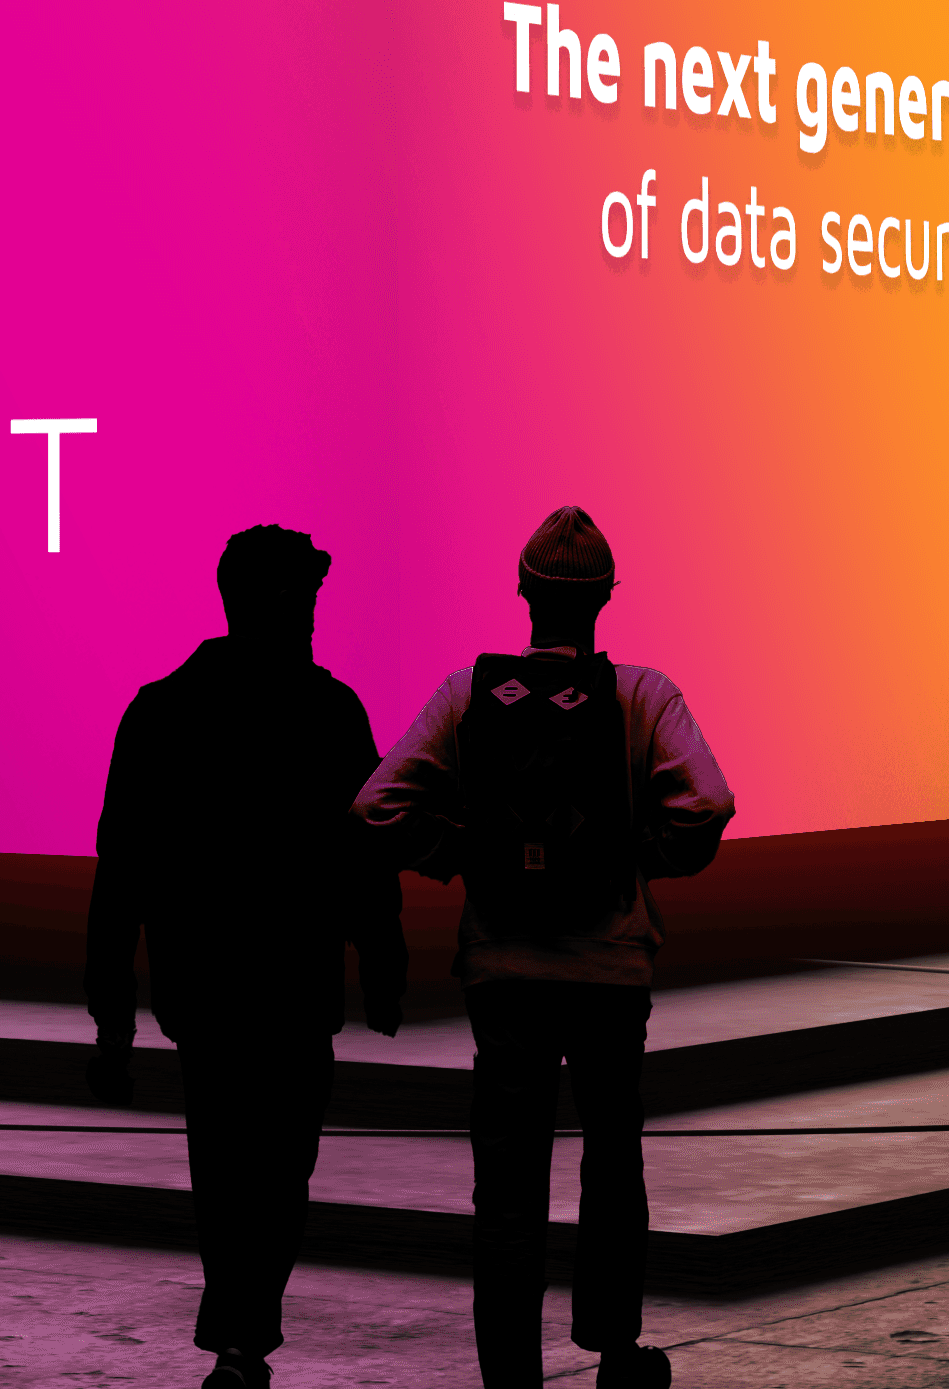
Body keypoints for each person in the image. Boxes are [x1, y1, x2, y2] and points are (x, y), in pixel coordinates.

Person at [353, 506, 732, 1389]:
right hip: (610, 969)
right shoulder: (643, 695)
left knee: (508, 1181)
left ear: (523, 592)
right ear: (605, 597)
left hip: (504, 970)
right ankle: (613, 1348)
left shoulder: (469, 693)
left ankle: (510, 1377)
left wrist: (463, 857)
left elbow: (376, 806)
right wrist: (638, 860)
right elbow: (708, 803)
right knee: (612, 1160)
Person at [85, 523, 408, 1389]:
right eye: (307, 596)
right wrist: (382, 966)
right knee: (276, 1168)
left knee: (226, 1165)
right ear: (283, 600)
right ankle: (242, 1333)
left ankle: (238, 1332)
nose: (313, 612)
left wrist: (113, 1020)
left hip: (206, 986)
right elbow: (366, 852)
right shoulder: (329, 709)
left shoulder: (162, 708)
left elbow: (122, 869)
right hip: (293, 984)